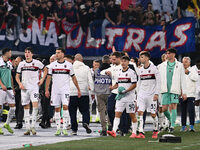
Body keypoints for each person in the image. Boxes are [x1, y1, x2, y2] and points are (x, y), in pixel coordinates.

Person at [45, 48, 81, 136]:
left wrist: (78, 89)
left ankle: (64, 128)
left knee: (65, 107)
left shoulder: (68, 65)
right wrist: (46, 89)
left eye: (58, 53)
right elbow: (49, 78)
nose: (56, 54)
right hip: (55, 90)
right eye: (56, 53)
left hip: (65, 90)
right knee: (57, 109)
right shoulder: (52, 65)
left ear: (63, 54)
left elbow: (73, 77)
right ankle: (58, 129)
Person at [16, 47, 47, 135]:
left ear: (32, 54)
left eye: (29, 52)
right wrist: (20, 84)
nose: (27, 54)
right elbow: (17, 76)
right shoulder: (21, 64)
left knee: (35, 105)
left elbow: (45, 69)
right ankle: (27, 128)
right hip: (24, 88)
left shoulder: (37, 63)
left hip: (34, 88)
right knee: (26, 107)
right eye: (25, 52)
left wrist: (42, 79)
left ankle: (33, 126)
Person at [107, 56, 138, 138]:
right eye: (122, 61)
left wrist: (126, 91)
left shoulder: (132, 72)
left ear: (128, 62)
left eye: (125, 61)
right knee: (117, 113)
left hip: (130, 97)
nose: (123, 63)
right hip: (120, 97)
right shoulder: (119, 72)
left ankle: (134, 132)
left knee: (132, 115)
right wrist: (113, 87)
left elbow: (134, 84)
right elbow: (117, 84)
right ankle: (114, 131)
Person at [159, 48, 187, 133]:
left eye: (169, 53)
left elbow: (183, 79)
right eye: (166, 53)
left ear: (173, 54)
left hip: (174, 89)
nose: (167, 55)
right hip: (164, 89)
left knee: (174, 106)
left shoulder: (180, 65)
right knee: (164, 109)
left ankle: (172, 126)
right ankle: (172, 120)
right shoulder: (162, 65)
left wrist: (184, 92)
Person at [136, 51, 161, 139]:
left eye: (142, 57)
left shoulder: (154, 68)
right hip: (141, 94)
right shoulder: (140, 69)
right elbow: (139, 82)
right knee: (140, 112)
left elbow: (159, 82)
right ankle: (141, 132)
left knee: (153, 114)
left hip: (152, 95)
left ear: (147, 58)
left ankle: (155, 129)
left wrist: (156, 93)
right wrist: (137, 95)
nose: (140, 59)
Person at [69, 54, 94, 135]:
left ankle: (74, 129)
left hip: (72, 92)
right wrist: (92, 91)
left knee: (72, 112)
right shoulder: (86, 68)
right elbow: (90, 80)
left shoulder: (70, 67)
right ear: (82, 60)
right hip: (84, 92)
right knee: (85, 110)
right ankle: (85, 122)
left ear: (74, 60)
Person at [100, 51, 122, 130]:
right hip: (114, 92)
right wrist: (106, 72)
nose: (112, 61)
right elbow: (102, 72)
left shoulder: (123, 66)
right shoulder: (113, 67)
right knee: (110, 109)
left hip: (123, 92)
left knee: (123, 112)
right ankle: (114, 126)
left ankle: (123, 127)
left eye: (114, 59)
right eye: (111, 59)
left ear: (119, 58)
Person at [93, 55, 111, 136]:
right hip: (109, 92)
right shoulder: (111, 69)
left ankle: (104, 129)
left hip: (99, 93)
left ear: (102, 61)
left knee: (102, 112)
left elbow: (94, 80)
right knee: (110, 111)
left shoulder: (97, 70)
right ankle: (110, 126)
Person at [0, 48, 16, 135]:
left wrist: (13, 88)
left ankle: (7, 124)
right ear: (6, 53)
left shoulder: (9, 63)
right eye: (10, 52)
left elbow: (10, 76)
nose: (11, 54)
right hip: (1, 88)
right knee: (0, 108)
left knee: (13, 108)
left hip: (9, 88)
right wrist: (2, 85)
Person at [180, 57, 198, 132]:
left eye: (186, 62)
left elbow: (196, 78)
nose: (184, 63)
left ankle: (191, 126)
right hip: (182, 94)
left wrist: (189, 73)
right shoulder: (180, 70)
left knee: (191, 111)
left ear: (189, 63)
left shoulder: (193, 69)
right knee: (183, 111)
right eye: (183, 62)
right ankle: (183, 126)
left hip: (191, 94)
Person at [13, 56, 23, 129]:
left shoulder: (25, 70)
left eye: (17, 61)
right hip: (16, 90)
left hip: (23, 90)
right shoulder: (13, 70)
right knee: (16, 106)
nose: (15, 62)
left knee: (21, 106)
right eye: (15, 61)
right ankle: (18, 122)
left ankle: (19, 122)